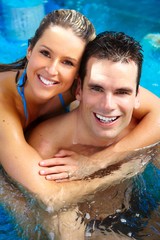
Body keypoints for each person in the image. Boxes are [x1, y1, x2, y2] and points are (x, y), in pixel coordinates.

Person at [1, 31, 159, 239]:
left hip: (139, 212)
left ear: (137, 96)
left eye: (122, 92)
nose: (108, 106)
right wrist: (126, 169)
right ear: (78, 90)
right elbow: (50, 207)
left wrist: (98, 162)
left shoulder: (142, 129)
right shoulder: (48, 148)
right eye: (96, 89)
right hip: (86, 226)